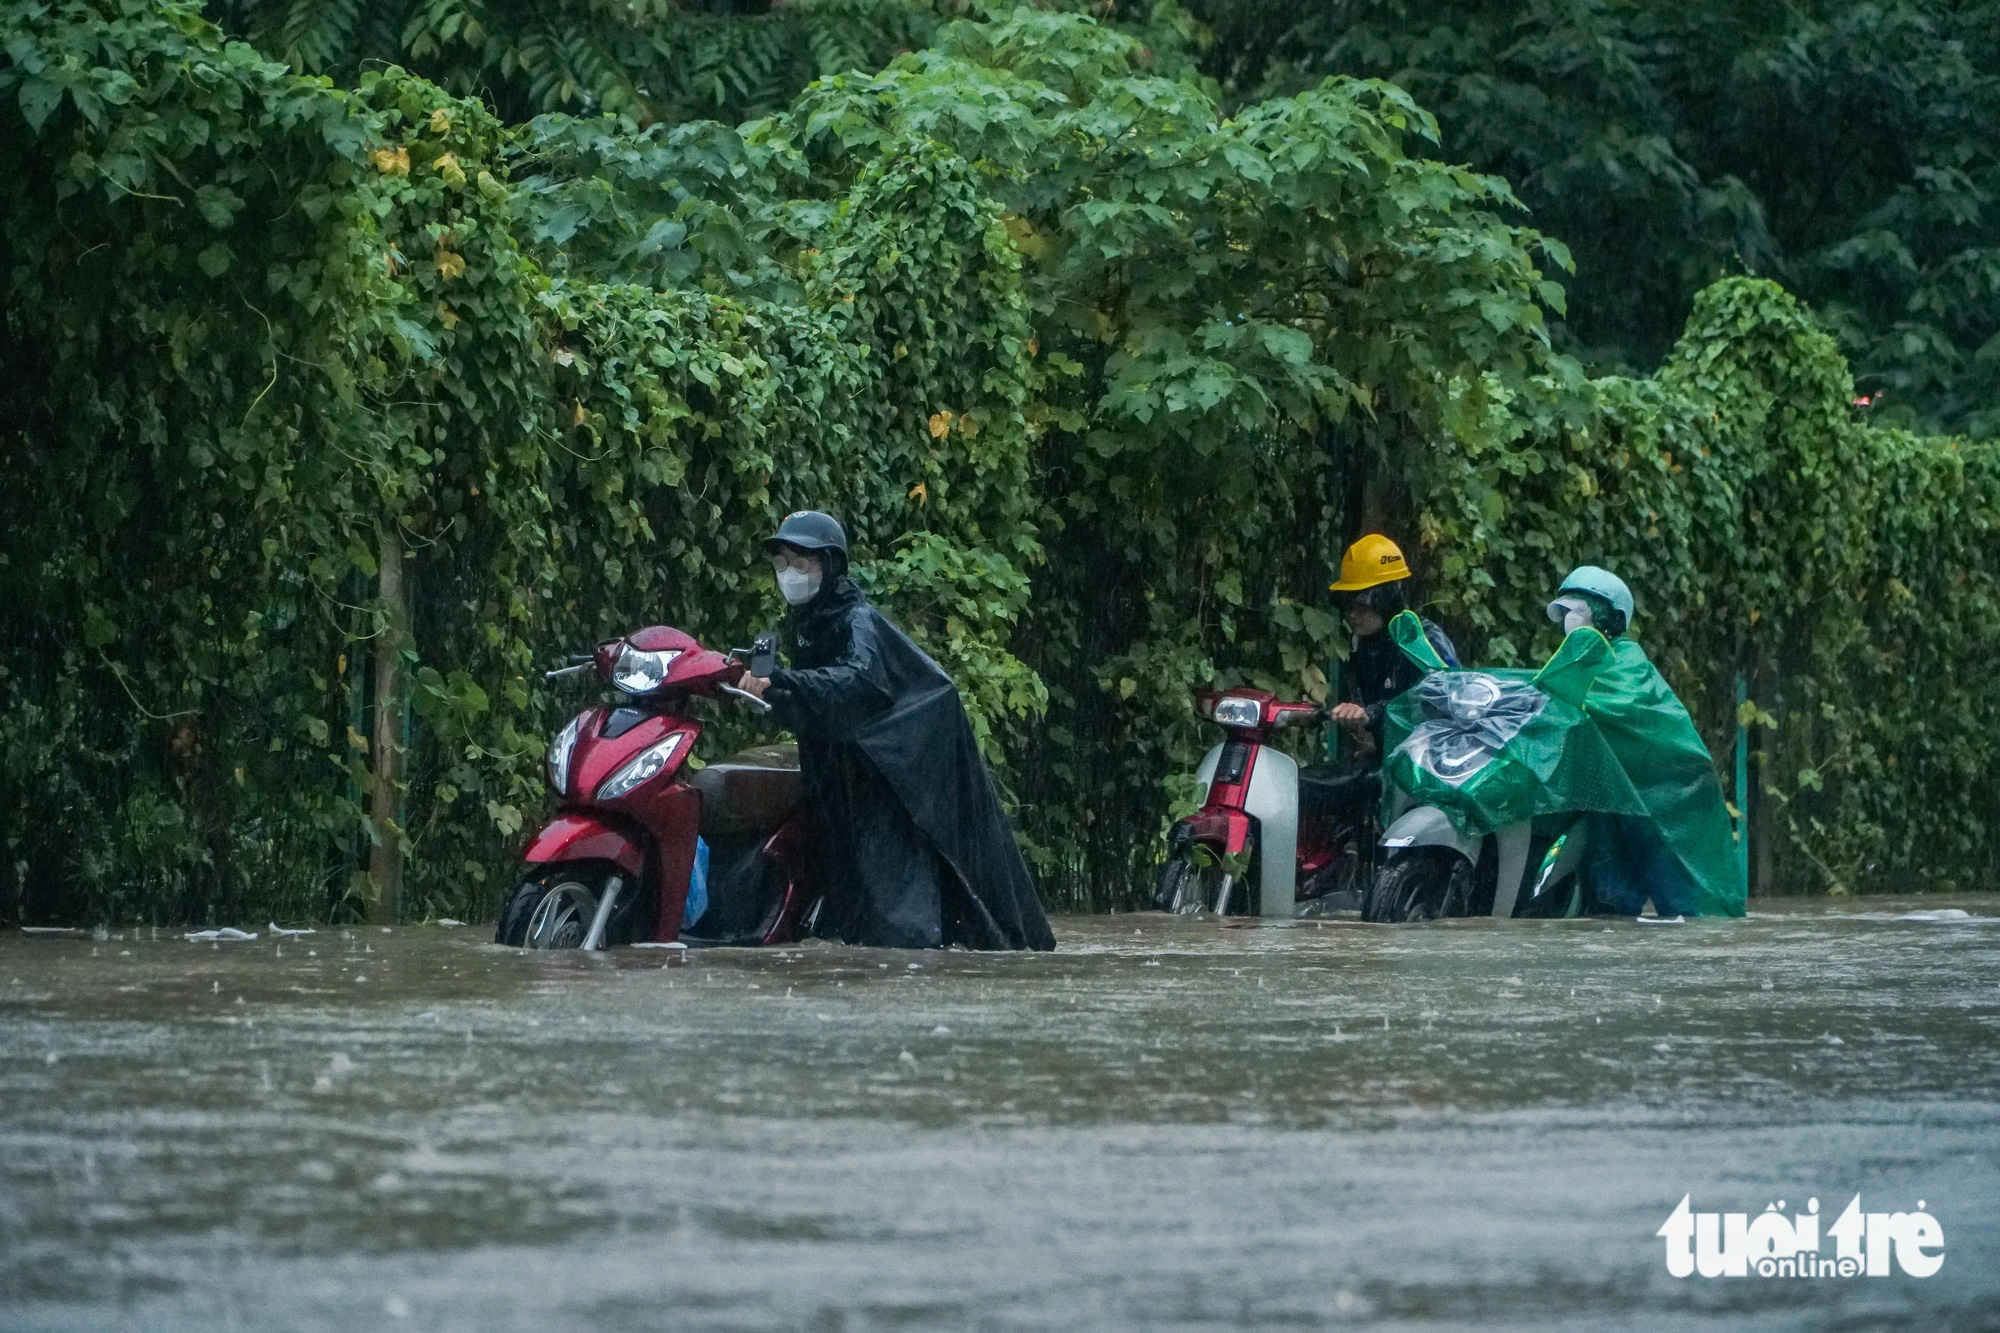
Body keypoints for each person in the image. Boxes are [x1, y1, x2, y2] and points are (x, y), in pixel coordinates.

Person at [736, 511, 1056, 951]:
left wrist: (786, 681)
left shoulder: (856, 620)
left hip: (891, 780)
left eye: (801, 562)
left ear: (830, 566)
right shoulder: (809, 622)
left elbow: (859, 684)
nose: (789, 574)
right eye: (782, 563)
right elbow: (820, 706)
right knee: (853, 903)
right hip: (850, 778)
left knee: (895, 906)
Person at [1545, 566, 1746, 918]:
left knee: (1687, 907)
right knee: (1609, 904)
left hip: (1668, 796)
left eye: (1577, 609)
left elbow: (1612, 705)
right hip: (1614, 796)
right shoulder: (1577, 661)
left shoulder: (1628, 663)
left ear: (1606, 614)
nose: (1567, 620)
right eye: (1565, 611)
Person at [1298, 534, 1459, 833]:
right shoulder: (1362, 646)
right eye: (1349, 605)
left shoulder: (1423, 641)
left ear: (1386, 601)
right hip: (1385, 757)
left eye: (1363, 604)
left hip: (1427, 766)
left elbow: (1445, 700)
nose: (1353, 614)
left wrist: (1372, 713)